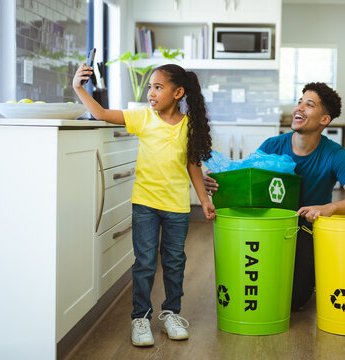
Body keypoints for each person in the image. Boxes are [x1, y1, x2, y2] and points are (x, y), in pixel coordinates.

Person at [73, 63, 215, 346]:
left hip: (177, 207)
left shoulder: (189, 126)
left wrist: (204, 200)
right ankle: (141, 318)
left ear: (178, 93)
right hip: (145, 205)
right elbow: (100, 113)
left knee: (174, 262)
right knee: (146, 263)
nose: (151, 93)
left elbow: (192, 165)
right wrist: (78, 87)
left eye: (158, 87)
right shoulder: (142, 118)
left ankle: (171, 314)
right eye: (150, 87)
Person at [204, 82, 345, 311]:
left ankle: (309, 281)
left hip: (305, 231)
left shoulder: (334, 154)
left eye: (309, 104)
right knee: (262, 291)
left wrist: (326, 208)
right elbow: (249, 180)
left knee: (293, 301)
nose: (299, 108)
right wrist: (220, 181)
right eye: (299, 101)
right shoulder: (273, 146)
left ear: (324, 119)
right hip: (269, 229)